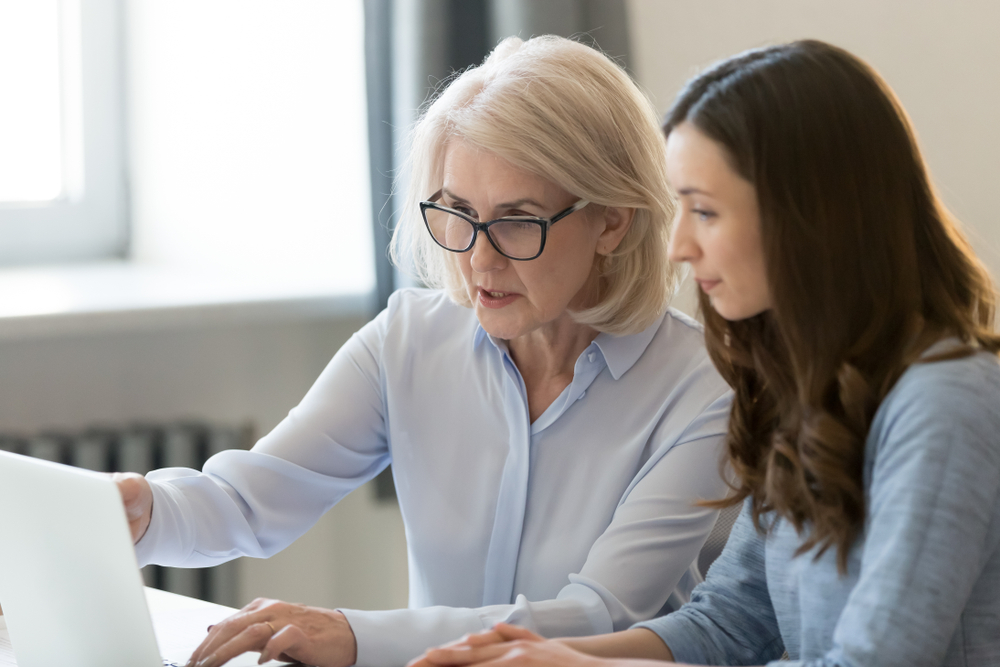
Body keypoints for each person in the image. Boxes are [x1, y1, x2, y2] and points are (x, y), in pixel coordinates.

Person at [114, 35, 733, 667]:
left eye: (517, 219)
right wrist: (146, 510)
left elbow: (598, 614)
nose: (477, 258)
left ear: (612, 221)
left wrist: (354, 636)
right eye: (458, 212)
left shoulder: (703, 390)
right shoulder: (409, 339)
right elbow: (250, 499)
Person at [411, 39, 1000, 667]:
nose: (678, 247)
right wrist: (544, 655)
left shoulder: (945, 402)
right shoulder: (806, 395)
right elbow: (730, 624)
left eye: (705, 211)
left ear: (807, 220)